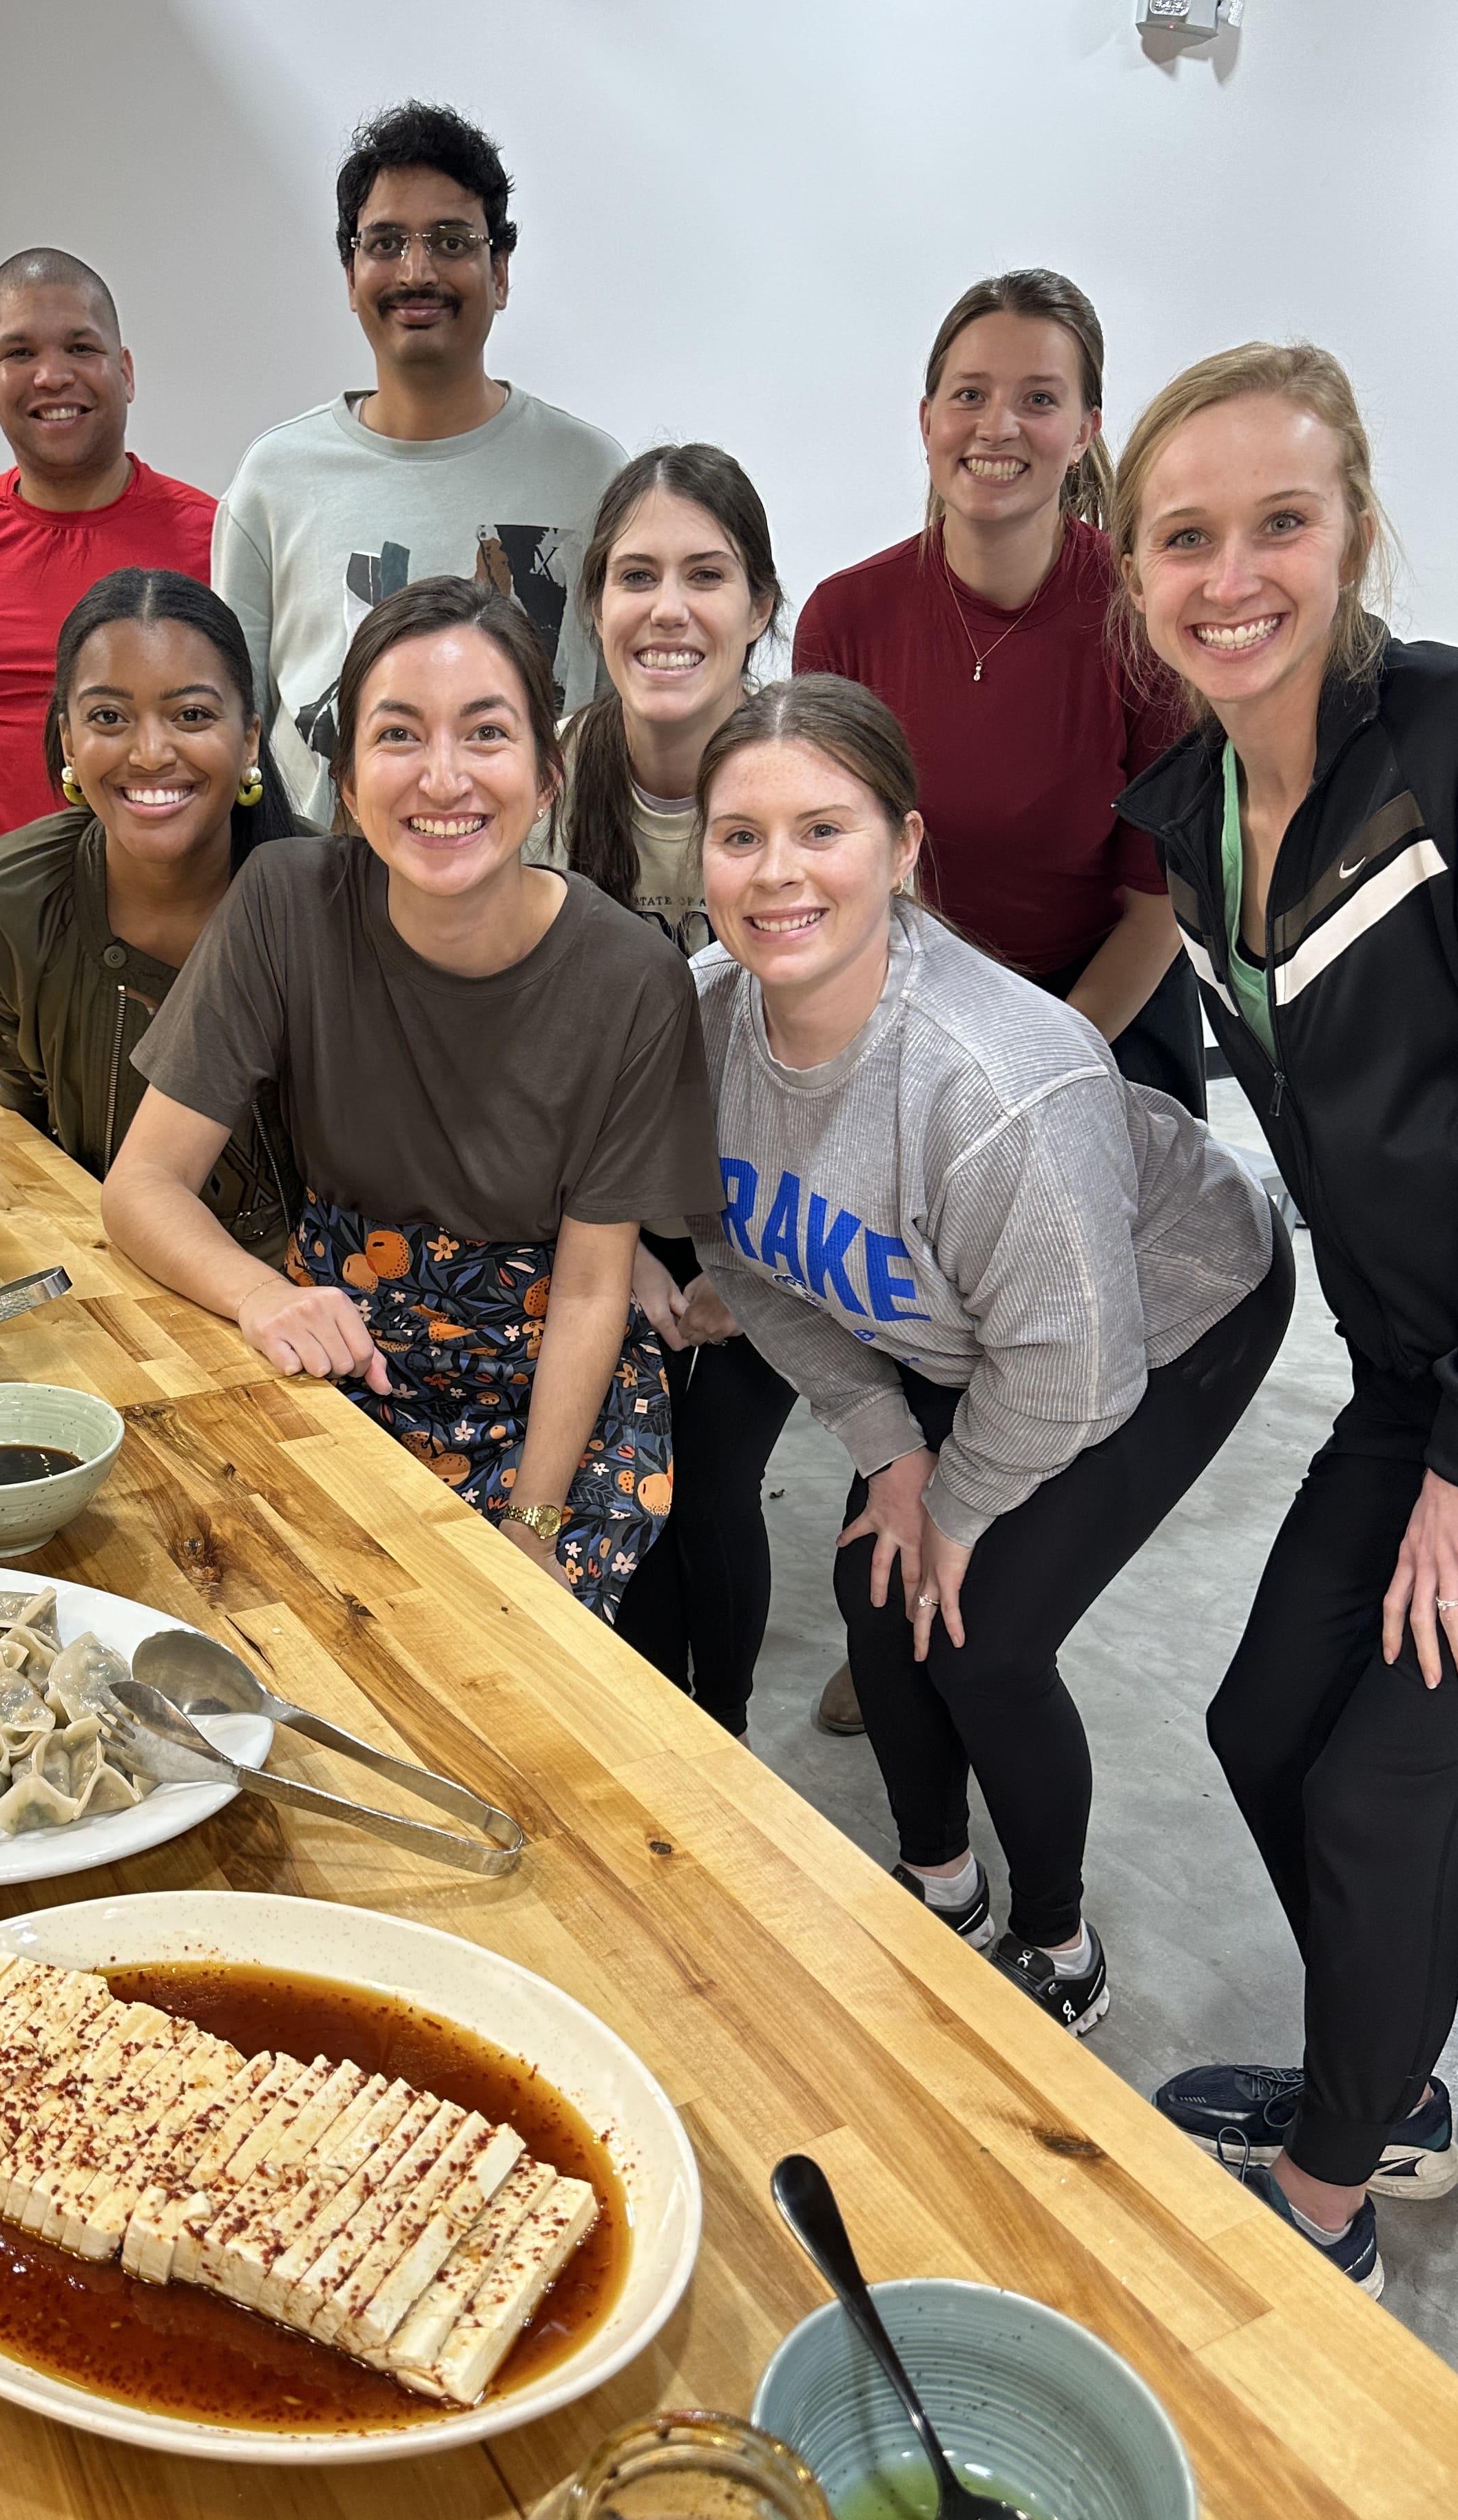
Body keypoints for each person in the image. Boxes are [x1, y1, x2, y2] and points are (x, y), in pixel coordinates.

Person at [1112, 343, 1458, 2294]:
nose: (1235, 574)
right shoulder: (1191, 811)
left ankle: (1326, 2215)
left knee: (1385, 1805)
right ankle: (1381, 2088)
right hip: (1417, 1373)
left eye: (1280, 522)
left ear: (1355, 529)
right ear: (1134, 571)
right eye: (1187, 537)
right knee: (1264, 1722)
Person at [686, 674, 1288, 2033]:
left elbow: (1071, 1374)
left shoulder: (1000, 1079)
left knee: (980, 1635)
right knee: (874, 1593)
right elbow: (734, 1259)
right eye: (738, 836)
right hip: (962, 1320)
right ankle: (939, 1888)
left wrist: (955, 1502)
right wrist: (891, 1448)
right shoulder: (703, 1021)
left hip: (1163, 1305)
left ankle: (1057, 1949)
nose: (776, 873)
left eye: (822, 830)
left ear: (903, 849)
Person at [102, 575, 720, 1618]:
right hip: (345, 1353)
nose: (443, 779)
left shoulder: (631, 979)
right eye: (399, 736)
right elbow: (143, 1186)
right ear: (345, 779)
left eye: (486, 734)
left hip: (549, 1403)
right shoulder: (285, 905)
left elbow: (585, 1290)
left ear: (548, 772)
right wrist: (263, 1296)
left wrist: (532, 1524)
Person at [793, 269, 1200, 1742]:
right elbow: (845, 868)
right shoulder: (848, 615)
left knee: (1051, 1340)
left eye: (1040, 396)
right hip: (906, 998)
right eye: (971, 392)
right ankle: (892, 1610)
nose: (1001, 426)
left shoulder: (1137, 621)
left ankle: (990, 1597)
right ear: (923, 420)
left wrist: (1035, 1073)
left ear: (1087, 427)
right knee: (912, 1323)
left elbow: (1159, 904)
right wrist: (936, 1047)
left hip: (1098, 1016)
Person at [538, 442, 799, 1731]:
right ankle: (648, 1742)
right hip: (590, 1200)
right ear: (594, 604)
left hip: (774, 1211)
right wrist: (616, 1253)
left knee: (710, 1482)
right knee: (616, 1465)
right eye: (635, 574)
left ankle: (728, 1743)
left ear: (760, 604)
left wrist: (742, 1277)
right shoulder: (540, 775)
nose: (668, 607)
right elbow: (501, 1051)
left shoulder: (812, 780)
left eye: (706, 574)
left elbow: (861, 1066)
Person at [211, 102, 625, 830]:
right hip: (331, 913)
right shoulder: (274, 482)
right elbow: (231, 733)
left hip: (544, 911)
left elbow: (628, 719)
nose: (417, 270)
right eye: (386, 242)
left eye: (450, 240)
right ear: (350, 275)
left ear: (500, 272)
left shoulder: (591, 475)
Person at [0, 568, 301, 1248]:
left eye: (191, 715)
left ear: (250, 737)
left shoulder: (340, 903)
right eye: (109, 718)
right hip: (110, 1311)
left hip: (329, 1317)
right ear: (69, 740)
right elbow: (29, 1156)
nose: (151, 753)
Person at [0, 249, 216, 848]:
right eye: (20, 353)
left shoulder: (217, 537)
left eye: (81, 348)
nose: (52, 376)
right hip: (16, 925)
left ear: (125, 371)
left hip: (194, 918)